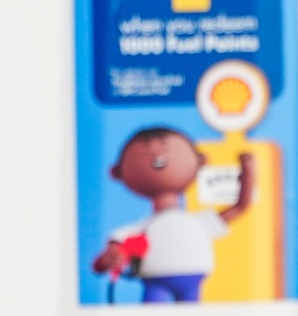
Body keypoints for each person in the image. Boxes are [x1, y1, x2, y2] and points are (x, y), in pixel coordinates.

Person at [91, 126, 254, 303]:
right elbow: (101, 263)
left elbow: (240, 206)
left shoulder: (199, 222)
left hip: (192, 281)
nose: (155, 151)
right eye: (145, 148)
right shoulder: (140, 228)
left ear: (201, 161)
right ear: (117, 172)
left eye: (163, 144)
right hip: (155, 282)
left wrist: (249, 173)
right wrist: (110, 258)